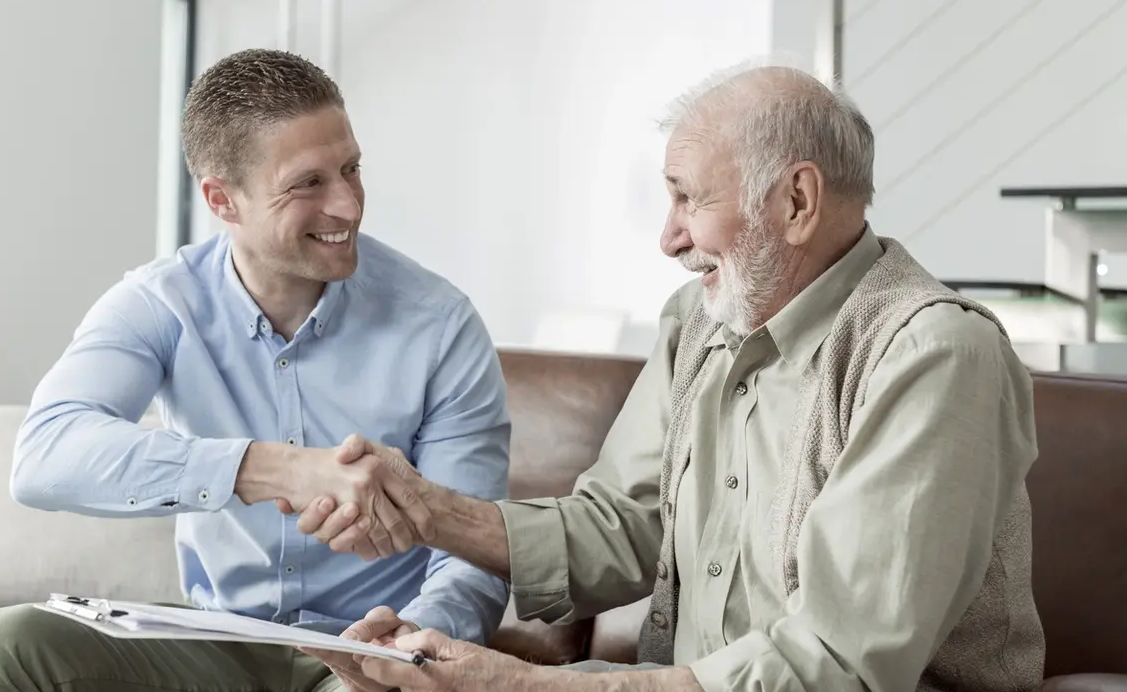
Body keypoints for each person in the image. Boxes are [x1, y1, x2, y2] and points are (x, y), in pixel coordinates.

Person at [295, 61, 1046, 692]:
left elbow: (836, 664)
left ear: (797, 201)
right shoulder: (697, 320)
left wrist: (520, 684)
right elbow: (625, 523)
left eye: (688, 196)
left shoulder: (932, 355)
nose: (669, 236)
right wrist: (426, 511)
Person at [0, 49, 511, 692]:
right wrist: (270, 468)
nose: (349, 205)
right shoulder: (161, 303)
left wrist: (409, 651)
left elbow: (474, 555)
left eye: (351, 169)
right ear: (222, 200)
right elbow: (45, 455)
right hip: (215, 641)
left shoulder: (440, 324)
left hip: (376, 650)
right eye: (309, 184)